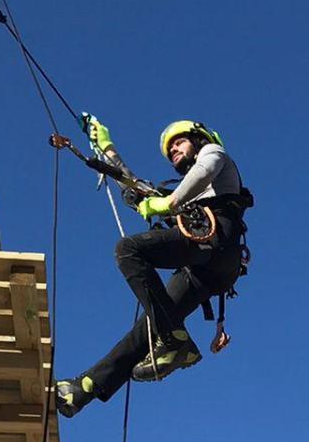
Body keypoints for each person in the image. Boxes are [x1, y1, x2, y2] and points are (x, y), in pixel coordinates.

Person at [55, 118, 251, 417]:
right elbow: (133, 185)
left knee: (129, 249)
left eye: (179, 142)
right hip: (208, 267)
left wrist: (168, 203)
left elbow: (202, 172)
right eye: (169, 150)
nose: (174, 150)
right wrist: (105, 146)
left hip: (215, 239)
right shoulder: (189, 197)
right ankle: (84, 388)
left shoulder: (214, 153)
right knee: (152, 325)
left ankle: (174, 340)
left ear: (199, 139)